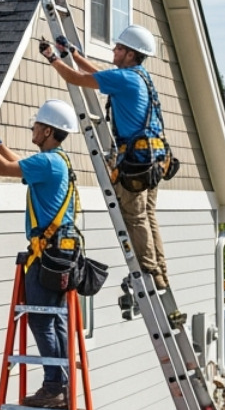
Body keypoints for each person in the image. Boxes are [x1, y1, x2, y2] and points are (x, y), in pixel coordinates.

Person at [0, 100, 82, 409]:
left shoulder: (48, 163)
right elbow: (19, 166)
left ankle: (54, 386)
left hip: (47, 254)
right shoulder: (57, 161)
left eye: (35, 126)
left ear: (46, 130)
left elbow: (4, 170)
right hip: (60, 252)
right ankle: (62, 383)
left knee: (42, 321)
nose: (32, 129)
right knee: (54, 321)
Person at [40, 23, 171, 290]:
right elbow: (101, 76)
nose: (114, 49)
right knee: (147, 214)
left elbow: (77, 79)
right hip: (154, 159)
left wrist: (52, 57)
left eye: (120, 48)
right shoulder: (139, 76)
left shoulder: (125, 79)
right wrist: (74, 55)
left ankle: (148, 271)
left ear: (131, 54)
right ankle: (159, 273)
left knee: (135, 217)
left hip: (136, 162)